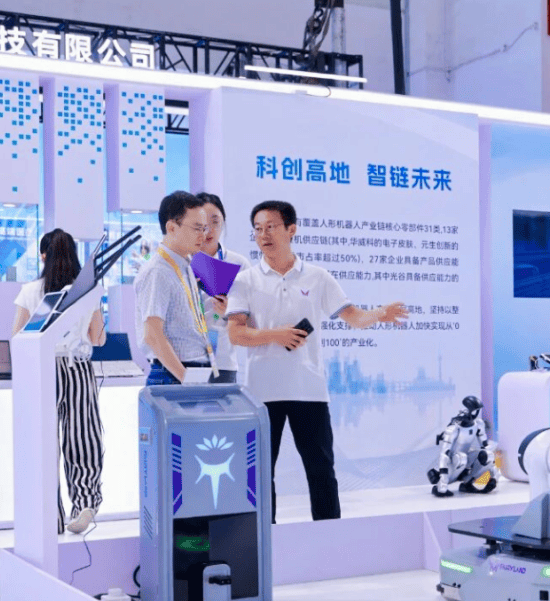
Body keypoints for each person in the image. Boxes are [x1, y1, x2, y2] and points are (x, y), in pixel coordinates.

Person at [226, 200, 409, 523]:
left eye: (271, 227)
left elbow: (353, 317)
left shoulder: (317, 277)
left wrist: (381, 313)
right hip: (261, 392)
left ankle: (329, 535)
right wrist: (276, 335)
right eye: (258, 229)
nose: (263, 235)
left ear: (291, 230)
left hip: (308, 389)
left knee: (321, 469)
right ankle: (265, 537)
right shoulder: (245, 281)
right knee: (260, 472)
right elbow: (236, 333)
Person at [12, 229, 106, 534]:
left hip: (42, 369)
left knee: (43, 442)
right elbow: (98, 338)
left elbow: (17, 337)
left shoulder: (30, 290)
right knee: (83, 437)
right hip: (78, 366)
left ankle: (48, 515)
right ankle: (85, 504)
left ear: (43, 256)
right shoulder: (88, 291)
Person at [134, 191, 214, 385]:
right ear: (171, 227)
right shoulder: (158, 271)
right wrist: (185, 378)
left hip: (189, 373)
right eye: (196, 228)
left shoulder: (185, 265)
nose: (203, 235)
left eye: (204, 228)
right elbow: (153, 335)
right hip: (173, 376)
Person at [194, 192, 251, 384]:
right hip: (185, 361)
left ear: (223, 223)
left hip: (223, 363)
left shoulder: (238, 264)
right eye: (202, 224)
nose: (209, 230)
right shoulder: (182, 261)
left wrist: (230, 312)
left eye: (215, 222)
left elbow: (252, 320)